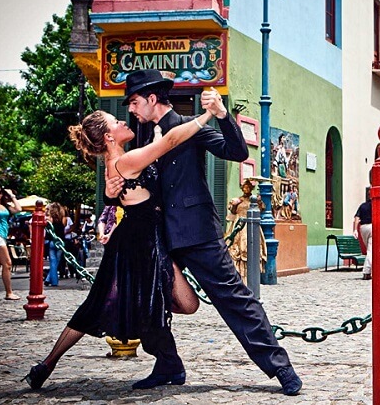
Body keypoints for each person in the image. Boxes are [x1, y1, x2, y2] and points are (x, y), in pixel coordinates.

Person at [105, 69, 302, 395]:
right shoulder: (140, 135)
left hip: (196, 232)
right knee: (146, 299)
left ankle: (281, 368)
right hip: (157, 236)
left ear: (152, 99)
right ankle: (168, 364)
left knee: (234, 299)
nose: (132, 110)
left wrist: (223, 115)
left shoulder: (191, 126)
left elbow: (236, 152)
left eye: (136, 102)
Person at [23, 103, 211, 390]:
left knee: (175, 304)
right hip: (137, 245)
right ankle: (47, 364)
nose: (124, 122)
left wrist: (112, 200)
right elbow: (171, 140)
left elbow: (127, 197)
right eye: (116, 121)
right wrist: (209, 116)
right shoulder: (125, 162)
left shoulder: (120, 162)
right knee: (102, 305)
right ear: (109, 136)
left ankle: (166, 360)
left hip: (147, 241)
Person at [226, 179, 266, 281]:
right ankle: (238, 273)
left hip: (251, 225)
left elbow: (261, 209)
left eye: (248, 187)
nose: (246, 189)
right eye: (244, 187)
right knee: (236, 248)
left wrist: (259, 201)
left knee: (250, 247)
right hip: (238, 225)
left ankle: (250, 274)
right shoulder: (238, 200)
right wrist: (235, 204)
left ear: (251, 188)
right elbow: (233, 211)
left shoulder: (254, 200)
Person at [44, 202, 67, 287]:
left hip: (51, 241)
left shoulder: (49, 218)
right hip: (60, 242)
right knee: (56, 262)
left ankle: (52, 281)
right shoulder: (63, 218)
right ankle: (51, 280)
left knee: (53, 262)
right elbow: (64, 228)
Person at [353, 191, 372, 280]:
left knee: (369, 249)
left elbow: (357, 217)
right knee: (371, 250)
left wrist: (355, 229)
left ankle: (369, 270)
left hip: (363, 228)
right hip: (373, 227)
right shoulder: (377, 204)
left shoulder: (363, 205)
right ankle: (366, 271)